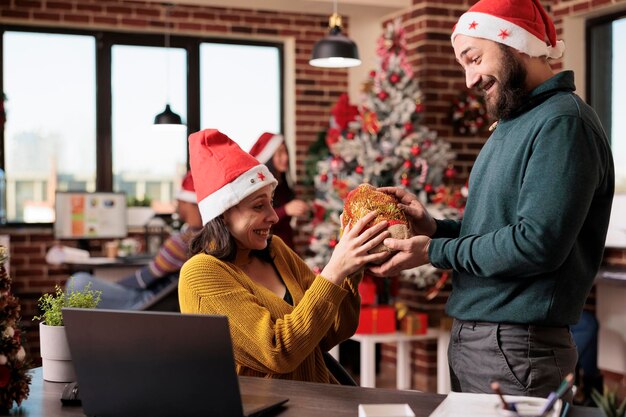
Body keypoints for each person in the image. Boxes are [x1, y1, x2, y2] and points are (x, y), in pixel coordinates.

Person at [369, 0, 614, 401]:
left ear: (516, 43)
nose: (469, 79)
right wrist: (435, 228)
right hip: (488, 342)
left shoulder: (562, 123)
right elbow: (499, 234)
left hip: (518, 347)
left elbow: (536, 245)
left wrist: (434, 250)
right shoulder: (516, 122)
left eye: (474, 58)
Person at [178, 129, 390, 383]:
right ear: (222, 213)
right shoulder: (201, 273)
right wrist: (333, 271)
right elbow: (277, 352)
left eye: (271, 201)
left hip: (317, 403)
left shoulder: (275, 249)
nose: (274, 216)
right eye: (259, 206)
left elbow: (331, 333)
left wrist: (350, 268)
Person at [67, 171, 203, 310]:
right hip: (157, 299)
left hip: (145, 301)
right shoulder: (203, 236)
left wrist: (115, 286)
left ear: (187, 202)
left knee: (77, 283)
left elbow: (145, 278)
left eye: (178, 200)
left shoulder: (182, 242)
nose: (177, 204)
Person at [249, 132, 309, 248]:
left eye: (286, 151)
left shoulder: (282, 184)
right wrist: (285, 210)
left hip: (285, 247)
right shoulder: (259, 187)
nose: (285, 157)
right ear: (269, 157)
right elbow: (257, 220)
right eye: (280, 153)